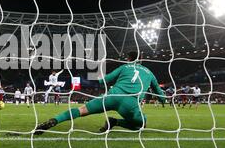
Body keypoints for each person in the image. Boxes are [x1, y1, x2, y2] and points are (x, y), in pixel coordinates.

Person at [35, 51, 165, 135]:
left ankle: (54, 120)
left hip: (112, 96)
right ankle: (116, 122)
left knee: (81, 110)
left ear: (128, 58)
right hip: (130, 104)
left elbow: (105, 80)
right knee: (142, 124)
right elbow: (159, 93)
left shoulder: (124, 67)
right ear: (141, 58)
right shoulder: (150, 73)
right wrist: (163, 100)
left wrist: (91, 80)